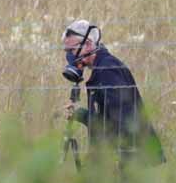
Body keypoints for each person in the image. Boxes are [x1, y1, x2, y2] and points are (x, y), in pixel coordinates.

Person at [60, 19, 162, 165]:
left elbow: (122, 124)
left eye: (72, 50)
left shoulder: (108, 70)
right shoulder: (102, 68)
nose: (69, 56)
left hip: (133, 162)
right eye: (67, 51)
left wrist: (82, 115)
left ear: (88, 45)